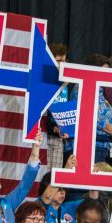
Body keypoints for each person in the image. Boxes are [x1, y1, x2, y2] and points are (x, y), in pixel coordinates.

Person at [65, 54, 112, 163]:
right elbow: (91, 114)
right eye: (103, 71)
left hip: (99, 146)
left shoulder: (100, 92)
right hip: (86, 147)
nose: (107, 75)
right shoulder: (83, 88)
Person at [46, 43, 70, 171]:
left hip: (58, 138)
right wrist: (53, 128)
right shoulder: (43, 81)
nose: (63, 64)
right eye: (59, 60)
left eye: (65, 60)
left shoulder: (66, 83)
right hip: (44, 136)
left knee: (53, 180)